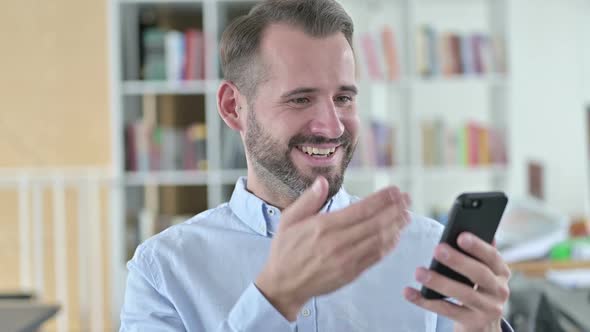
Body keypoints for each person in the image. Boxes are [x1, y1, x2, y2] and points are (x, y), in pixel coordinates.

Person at [120, 0, 513, 331]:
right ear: (232, 107)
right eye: (300, 99)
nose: (332, 126)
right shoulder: (163, 271)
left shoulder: (430, 252)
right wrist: (273, 299)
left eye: (343, 98)